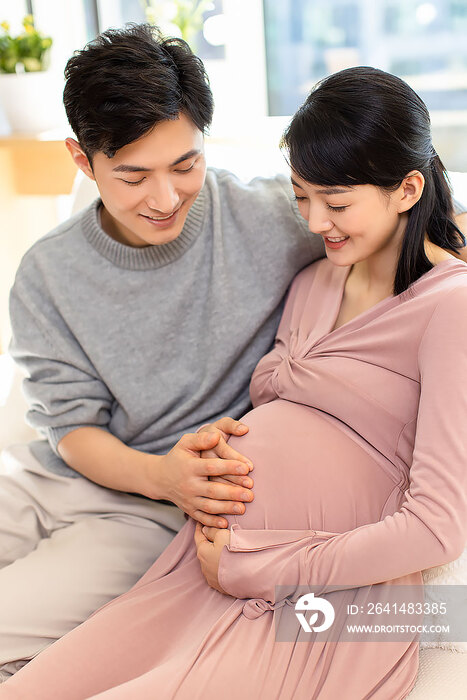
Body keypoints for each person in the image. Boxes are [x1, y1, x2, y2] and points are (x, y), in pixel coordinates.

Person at [2, 65, 466, 700]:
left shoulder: (451, 306)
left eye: (334, 203)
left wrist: (262, 568)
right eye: (302, 197)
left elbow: (439, 526)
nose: (312, 220)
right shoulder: (313, 277)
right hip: (203, 564)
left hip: (317, 602)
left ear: (408, 190)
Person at [0, 22, 327, 679]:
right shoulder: (46, 273)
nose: (166, 197)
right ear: (81, 160)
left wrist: (169, 482)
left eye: (186, 164)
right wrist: (158, 473)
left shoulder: (271, 216)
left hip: (142, 516)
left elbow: (414, 214)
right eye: (132, 176)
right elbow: (69, 428)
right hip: (48, 479)